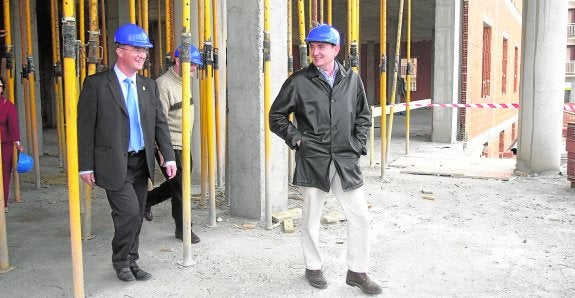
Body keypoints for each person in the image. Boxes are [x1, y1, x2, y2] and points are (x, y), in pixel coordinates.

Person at [269, 24, 382, 295]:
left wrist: (357, 145)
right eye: (312, 47)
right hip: (314, 158)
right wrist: (297, 139)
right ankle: (313, 266)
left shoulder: (352, 80)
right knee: (311, 218)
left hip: (345, 159)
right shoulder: (298, 81)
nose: (315, 52)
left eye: (321, 47)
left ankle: (357, 271)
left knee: (360, 217)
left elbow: (364, 117)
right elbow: (276, 116)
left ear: (336, 49)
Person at [77, 24, 177, 282]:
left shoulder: (147, 86)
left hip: (140, 162)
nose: (142, 55)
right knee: (131, 212)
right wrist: (85, 165)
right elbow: (85, 128)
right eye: (136, 49)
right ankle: (120, 260)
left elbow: (159, 124)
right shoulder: (96, 85)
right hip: (112, 162)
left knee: (136, 214)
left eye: (144, 50)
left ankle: (131, 260)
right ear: (120, 50)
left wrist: (168, 155)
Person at [144, 45, 203, 244]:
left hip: (184, 144)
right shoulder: (163, 85)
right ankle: (184, 228)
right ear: (178, 61)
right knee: (181, 189)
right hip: (171, 146)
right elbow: (157, 122)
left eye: (196, 65)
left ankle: (147, 200)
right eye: (192, 64)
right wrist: (162, 150)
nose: (195, 68)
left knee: (177, 185)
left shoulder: (184, 81)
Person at [0, 76, 24, 212]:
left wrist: (17, 143)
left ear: (3, 88)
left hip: (4, 144)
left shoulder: (8, 105)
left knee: (4, 173)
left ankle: (3, 203)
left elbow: (13, 126)